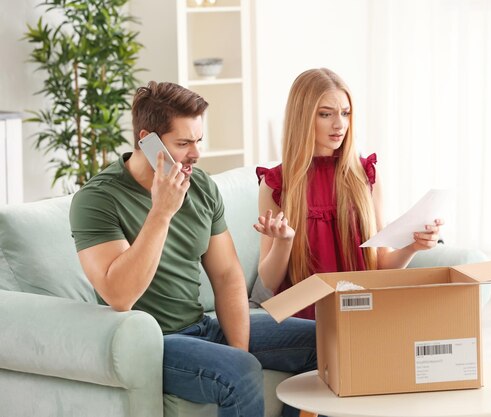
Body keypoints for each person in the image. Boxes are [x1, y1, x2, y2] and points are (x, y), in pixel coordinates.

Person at [69, 81, 316, 417]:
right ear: (147, 140)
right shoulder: (98, 199)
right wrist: (161, 212)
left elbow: (227, 275)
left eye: (198, 140)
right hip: (150, 342)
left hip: (202, 326)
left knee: (331, 344)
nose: (196, 154)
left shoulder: (200, 186)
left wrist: (238, 350)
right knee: (239, 373)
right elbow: (119, 295)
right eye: (183, 143)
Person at [254, 68, 443, 319]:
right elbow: (269, 280)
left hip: (361, 313)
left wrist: (412, 247)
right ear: (302, 118)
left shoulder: (365, 175)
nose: (339, 124)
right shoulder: (276, 184)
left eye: (345, 113)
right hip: (305, 322)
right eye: (325, 114)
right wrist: (284, 241)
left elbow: (380, 264)